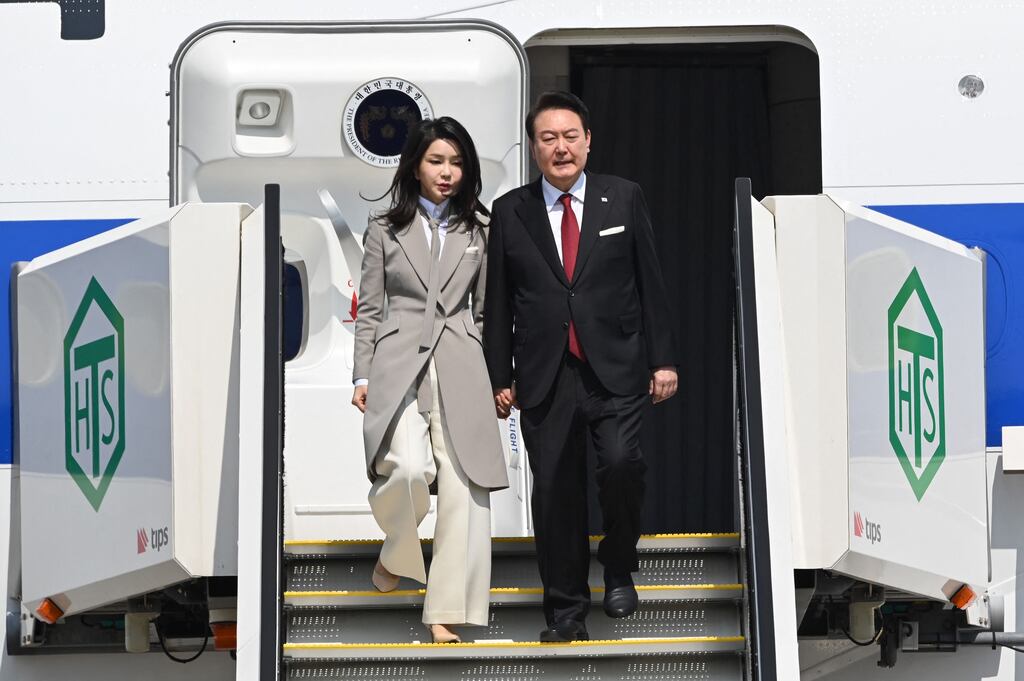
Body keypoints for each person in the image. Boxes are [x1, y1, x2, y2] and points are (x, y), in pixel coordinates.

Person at [483, 91, 679, 642]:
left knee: (620, 466)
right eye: (548, 138)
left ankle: (618, 566)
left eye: (571, 136)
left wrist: (663, 359)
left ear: (588, 141)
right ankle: (566, 614)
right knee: (555, 495)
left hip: (616, 367)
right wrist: (501, 375)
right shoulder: (511, 211)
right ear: (534, 147)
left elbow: (650, 283)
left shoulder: (624, 198)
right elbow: (498, 302)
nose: (561, 148)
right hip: (545, 375)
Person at [351, 116, 508, 644]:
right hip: (398, 362)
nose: (447, 172)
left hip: (464, 361)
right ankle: (397, 549)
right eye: (437, 161)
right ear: (415, 166)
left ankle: (446, 611)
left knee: (465, 488)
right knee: (409, 469)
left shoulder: (481, 230)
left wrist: (496, 377)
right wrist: (361, 374)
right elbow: (370, 310)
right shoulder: (383, 228)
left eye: (457, 162)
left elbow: (487, 313)